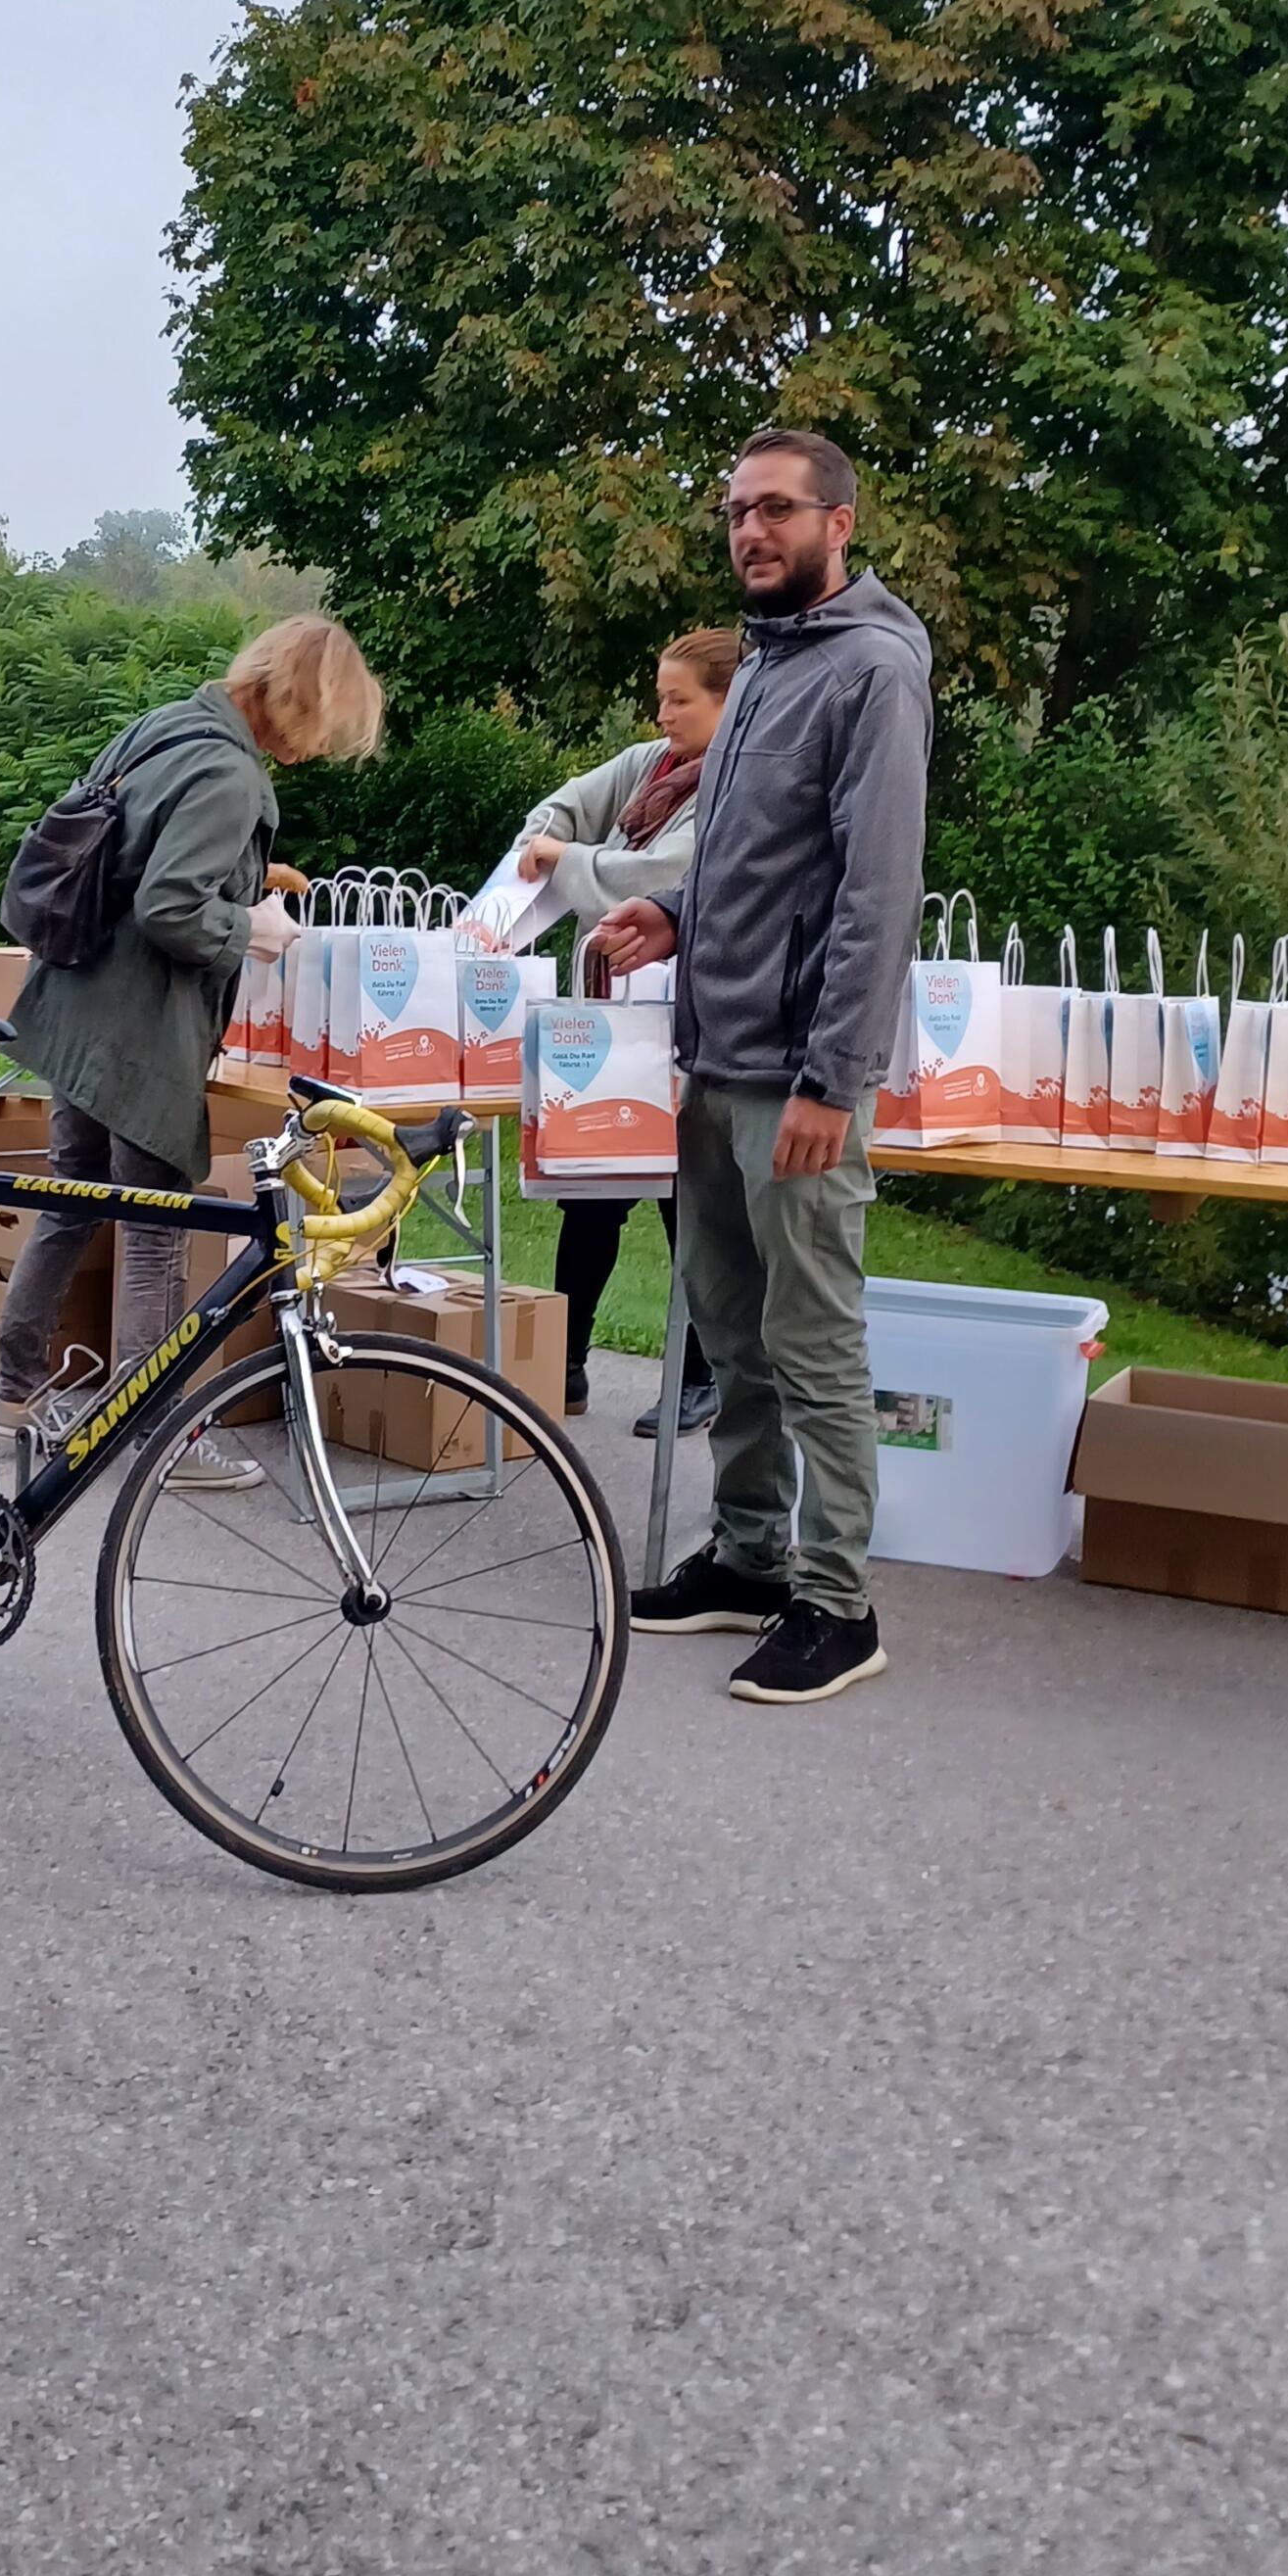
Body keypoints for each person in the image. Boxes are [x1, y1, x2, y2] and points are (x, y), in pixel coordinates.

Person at [587, 429, 930, 1706]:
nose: (750, 531)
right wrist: (670, 919)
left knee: (813, 1335)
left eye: (776, 509)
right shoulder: (767, 666)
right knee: (730, 1328)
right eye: (735, 510)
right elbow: (747, 856)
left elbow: (874, 895)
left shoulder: (875, 673)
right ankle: (745, 1558)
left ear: (840, 523)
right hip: (714, 1056)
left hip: (798, 1076)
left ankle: (838, 1603)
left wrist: (832, 1083)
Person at [0, 615, 386, 1486]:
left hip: (76, 1002)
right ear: (296, 702)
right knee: (157, 1224)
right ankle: (158, 1433)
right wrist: (247, 925)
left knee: (69, 1196)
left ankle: (12, 1388)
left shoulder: (168, 725)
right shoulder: (229, 774)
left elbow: (133, 853)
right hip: (140, 1031)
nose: (322, 747)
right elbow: (170, 908)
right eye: (326, 724)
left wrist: (252, 882)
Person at [511, 629, 740, 1436]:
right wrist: (546, 835)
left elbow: (661, 874)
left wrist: (561, 857)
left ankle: (697, 1373)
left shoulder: (736, 784)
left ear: (728, 699)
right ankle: (559, 1365)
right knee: (594, 1187)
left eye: (680, 699)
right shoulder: (652, 765)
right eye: (660, 694)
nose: (662, 711)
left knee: (687, 1198)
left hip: (688, 1019)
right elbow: (569, 803)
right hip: (612, 1012)